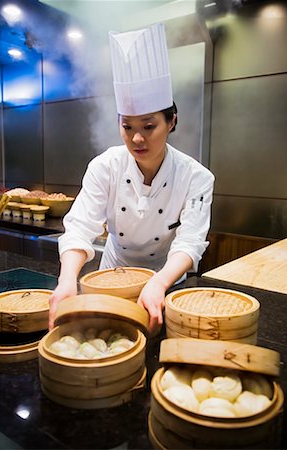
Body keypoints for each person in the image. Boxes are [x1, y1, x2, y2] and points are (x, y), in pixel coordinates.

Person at [49, 23, 215, 335]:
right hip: (110, 276)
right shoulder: (105, 166)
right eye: (127, 127)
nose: (137, 138)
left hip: (165, 280)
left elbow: (190, 242)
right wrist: (67, 280)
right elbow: (80, 227)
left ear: (171, 122)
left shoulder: (197, 177)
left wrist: (158, 282)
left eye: (149, 126)